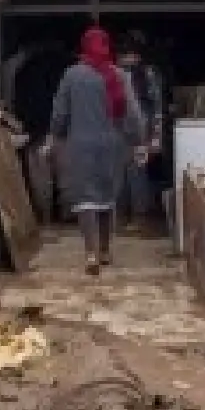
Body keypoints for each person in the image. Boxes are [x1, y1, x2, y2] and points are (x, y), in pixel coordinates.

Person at [46, 26, 144, 273]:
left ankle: (91, 254)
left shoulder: (72, 75)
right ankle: (105, 251)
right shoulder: (119, 75)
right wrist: (137, 140)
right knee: (107, 198)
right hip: (112, 145)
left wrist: (56, 135)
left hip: (80, 145)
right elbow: (132, 113)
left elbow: (60, 112)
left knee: (86, 200)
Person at [116, 33, 166, 231]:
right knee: (121, 173)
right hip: (121, 130)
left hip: (140, 130)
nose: (124, 60)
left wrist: (156, 136)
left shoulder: (147, 74)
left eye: (126, 55)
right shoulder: (114, 74)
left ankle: (138, 216)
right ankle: (123, 215)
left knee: (136, 172)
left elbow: (156, 105)